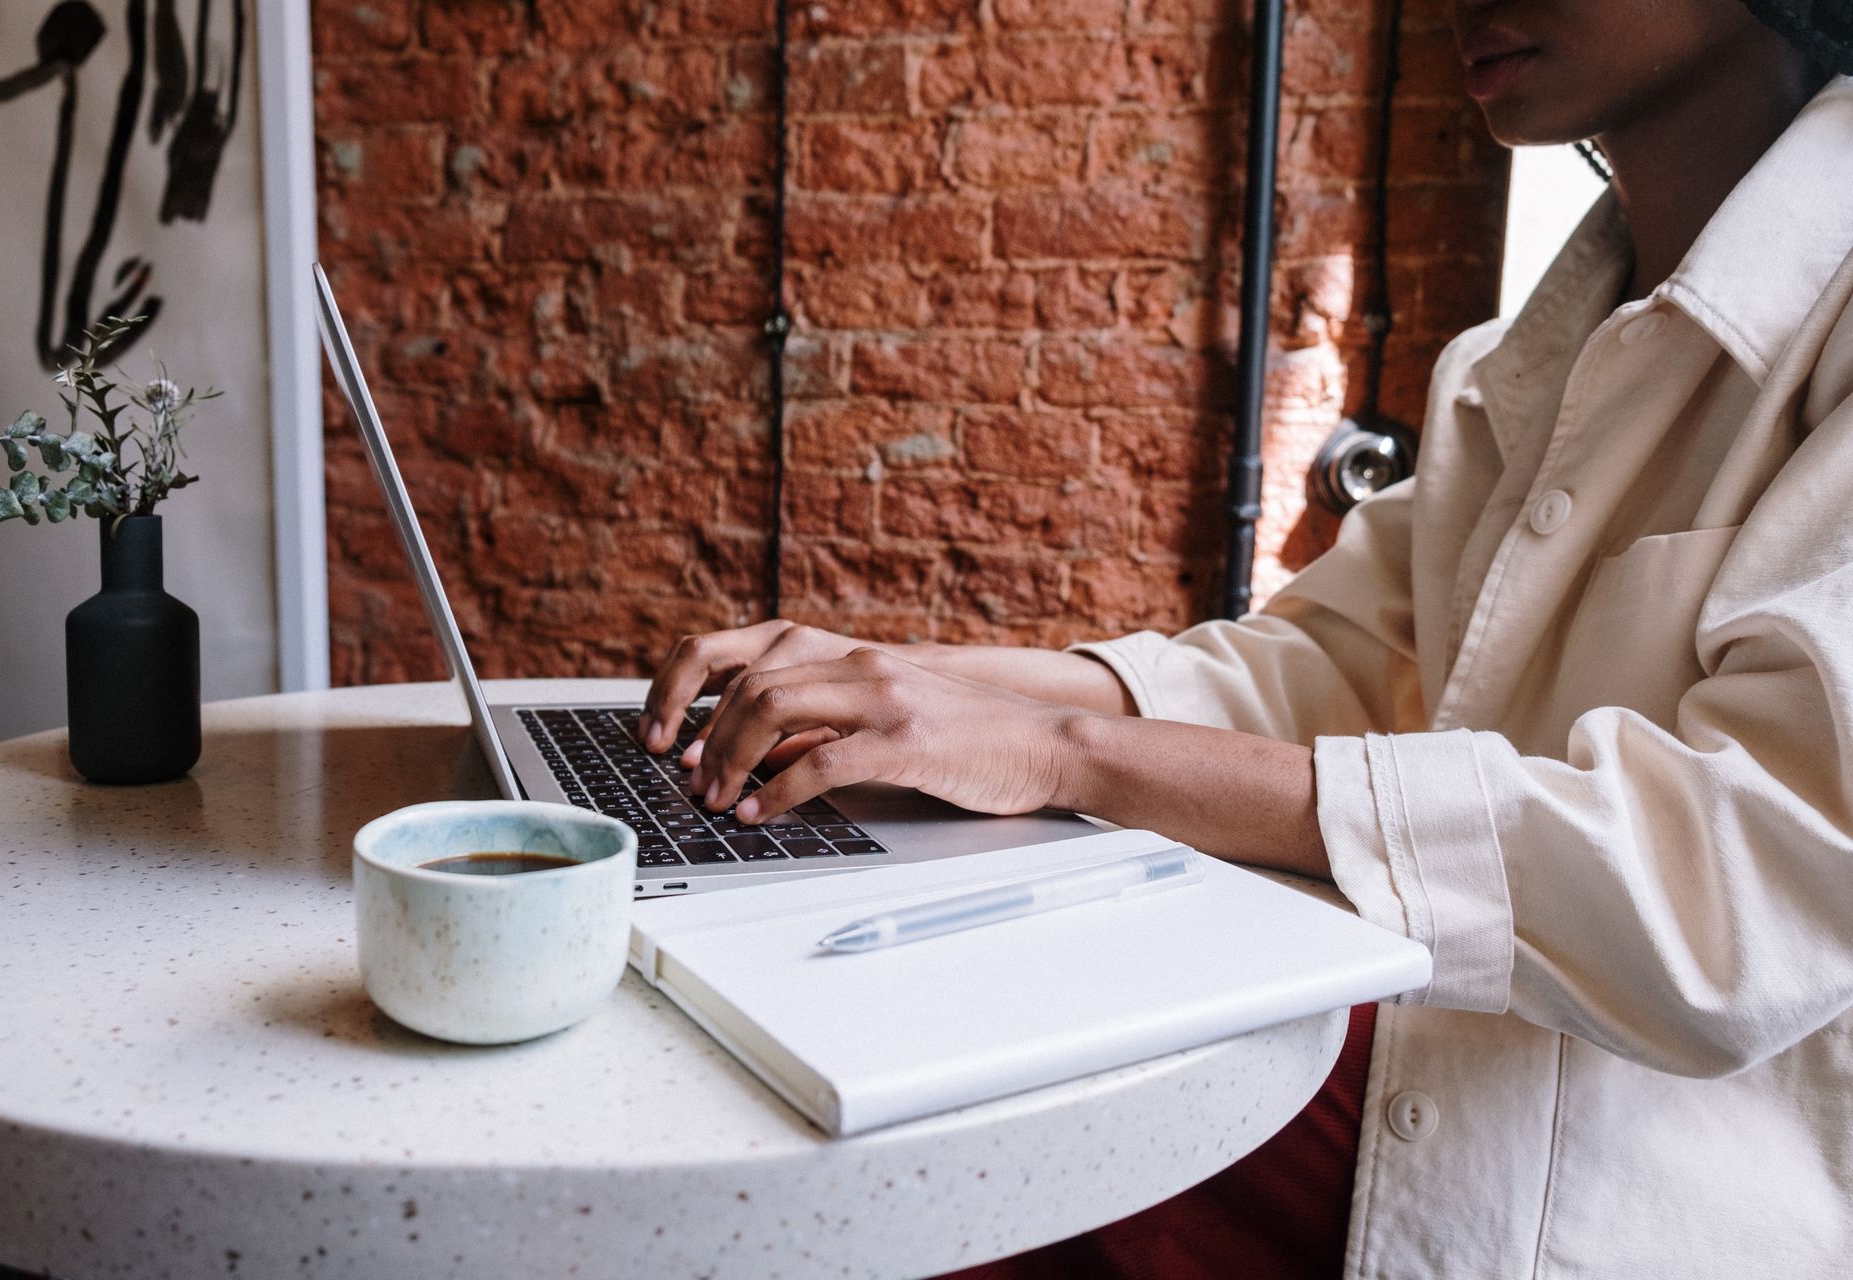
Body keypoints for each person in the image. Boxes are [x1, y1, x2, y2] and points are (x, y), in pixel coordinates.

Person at [637, 1, 1853, 1274]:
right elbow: (1318, 667)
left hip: (1598, 1189)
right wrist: (913, 683)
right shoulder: (1523, 362)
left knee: (879, 1172)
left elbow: (1740, 887)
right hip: (1411, 1060)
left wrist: (1065, 756)